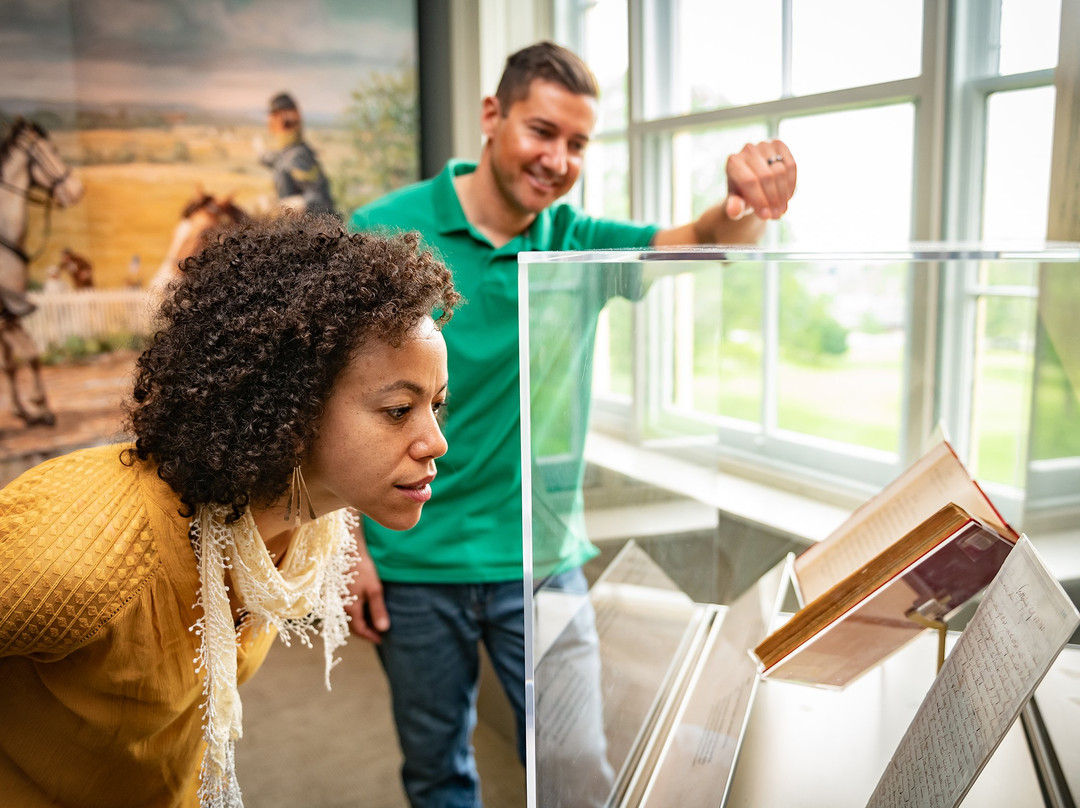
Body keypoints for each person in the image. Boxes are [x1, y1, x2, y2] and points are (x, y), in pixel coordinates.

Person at [346, 41, 797, 807]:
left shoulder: (575, 244)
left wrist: (742, 203)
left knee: (579, 771)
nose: (558, 159)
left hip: (541, 561)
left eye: (578, 143)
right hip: (414, 565)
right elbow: (334, 404)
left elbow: (704, 243)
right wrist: (346, 548)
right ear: (492, 117)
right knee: (437, 773)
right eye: (542, 131)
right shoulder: (385, 232)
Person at [0, 213, 460, 808]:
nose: (435, 441)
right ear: (290, 405)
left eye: (437, 405)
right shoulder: (80, 558)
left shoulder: (297, 526)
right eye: (399, 409)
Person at [259, 92, 337, 216]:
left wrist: (288, 205)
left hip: (313, 230)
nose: (269, 121)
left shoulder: (297, 155)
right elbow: (277, 160)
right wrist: (262, 155)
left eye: (273, 116)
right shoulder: (287, 152)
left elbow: (320, 199)